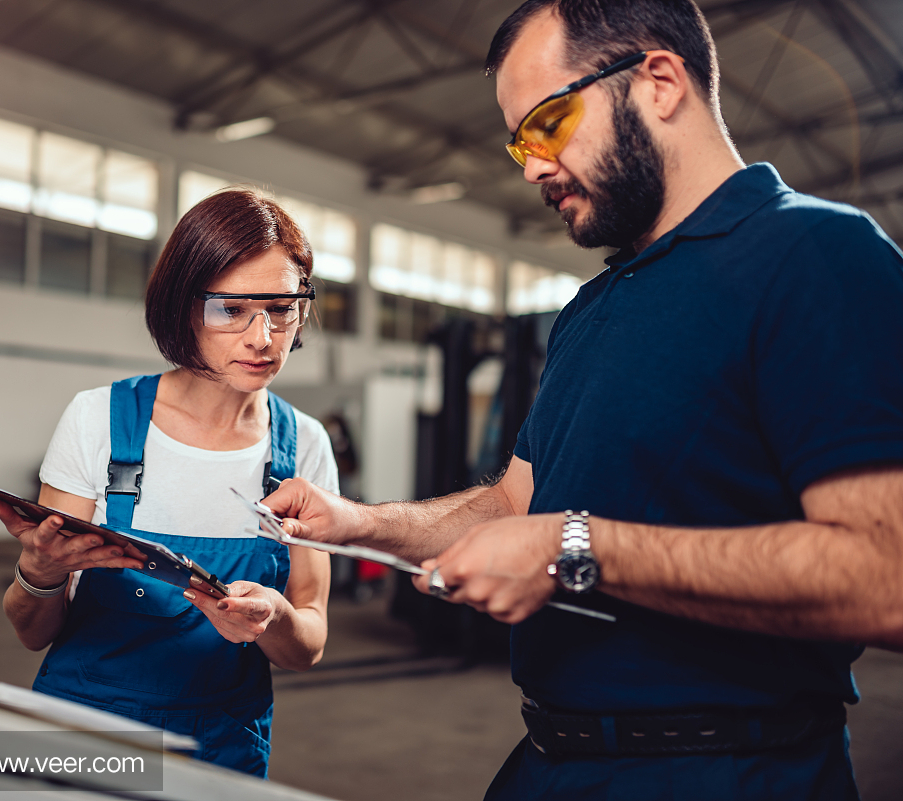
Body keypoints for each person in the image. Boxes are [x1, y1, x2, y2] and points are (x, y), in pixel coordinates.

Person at [262, 1, 903, 798]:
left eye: (548, 124)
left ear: (659, 81)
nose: (529, 165)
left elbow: (886, 574)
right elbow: (513, 504)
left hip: (730, 770)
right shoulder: (592, 310)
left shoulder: (817, 256)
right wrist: (359, 522)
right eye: (517, 141)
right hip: (551, 761)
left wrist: (576, 549)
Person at [0, 189, 338, 778]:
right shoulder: (98, 419)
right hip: (85, 736)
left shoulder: (305, 446)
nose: (263, 337)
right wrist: (41, 574)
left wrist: (274, 619)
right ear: (183, 307)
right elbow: (30, 631)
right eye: (231, 309)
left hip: (222, 751)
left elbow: (309, 642)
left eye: (282, 308)